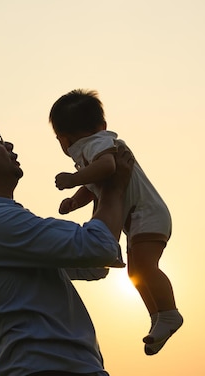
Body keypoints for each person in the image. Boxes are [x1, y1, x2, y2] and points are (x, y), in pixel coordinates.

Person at [0, 121, 135, 376]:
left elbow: (93, 264)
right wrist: (113, 188)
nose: (8, 144)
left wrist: (99, 186)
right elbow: (99, 248)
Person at [49, 89, 183, 356]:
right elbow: (95, 183)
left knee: (145, 267)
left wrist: (73, 180)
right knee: (136, 273)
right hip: (138, 218)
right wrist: (76, 201)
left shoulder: (98, 145)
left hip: (147, 213)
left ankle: (169, 313)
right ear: (102, 123)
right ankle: (158, 316)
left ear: (63, 140)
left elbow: (108, 167)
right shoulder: (92, 149)